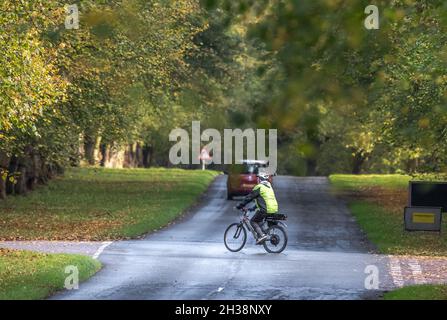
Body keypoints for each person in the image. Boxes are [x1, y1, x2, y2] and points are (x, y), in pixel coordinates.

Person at [236, 172, 278, 244]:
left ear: (260, 179)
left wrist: (240, 205)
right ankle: (263, 234)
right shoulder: (269, 187)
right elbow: (264, 200)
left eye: (258, 178)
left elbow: (249, 198)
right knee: (259, 220)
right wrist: (252, 208)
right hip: (274, 209)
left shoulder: (259, 187)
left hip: (265, 210)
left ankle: (261, 236)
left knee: (253, 221)